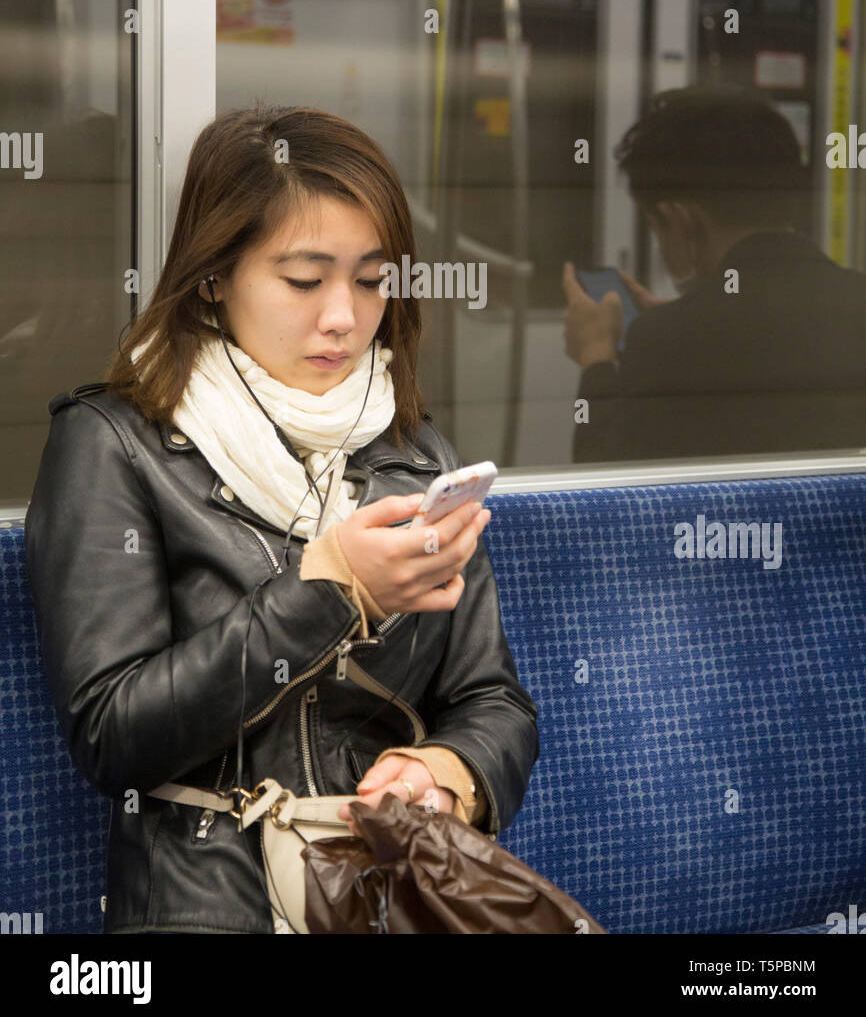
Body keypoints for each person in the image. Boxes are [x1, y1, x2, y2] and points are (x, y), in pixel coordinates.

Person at [25, 104, 539, 934]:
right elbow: (112, 734)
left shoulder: (413, 454)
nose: (343, 315)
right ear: (214, 274)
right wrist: (331, 591)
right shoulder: (114, 444)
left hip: (383, 886)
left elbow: (494, 701)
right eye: (305, 280)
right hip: (209, 901)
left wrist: (442, 774)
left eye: (372, 280)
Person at [562, 86, 866, 463]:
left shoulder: (663, 343)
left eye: (658, 230)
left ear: (681, 219)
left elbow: (607, 495)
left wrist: (596, 356)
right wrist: (690, 312)